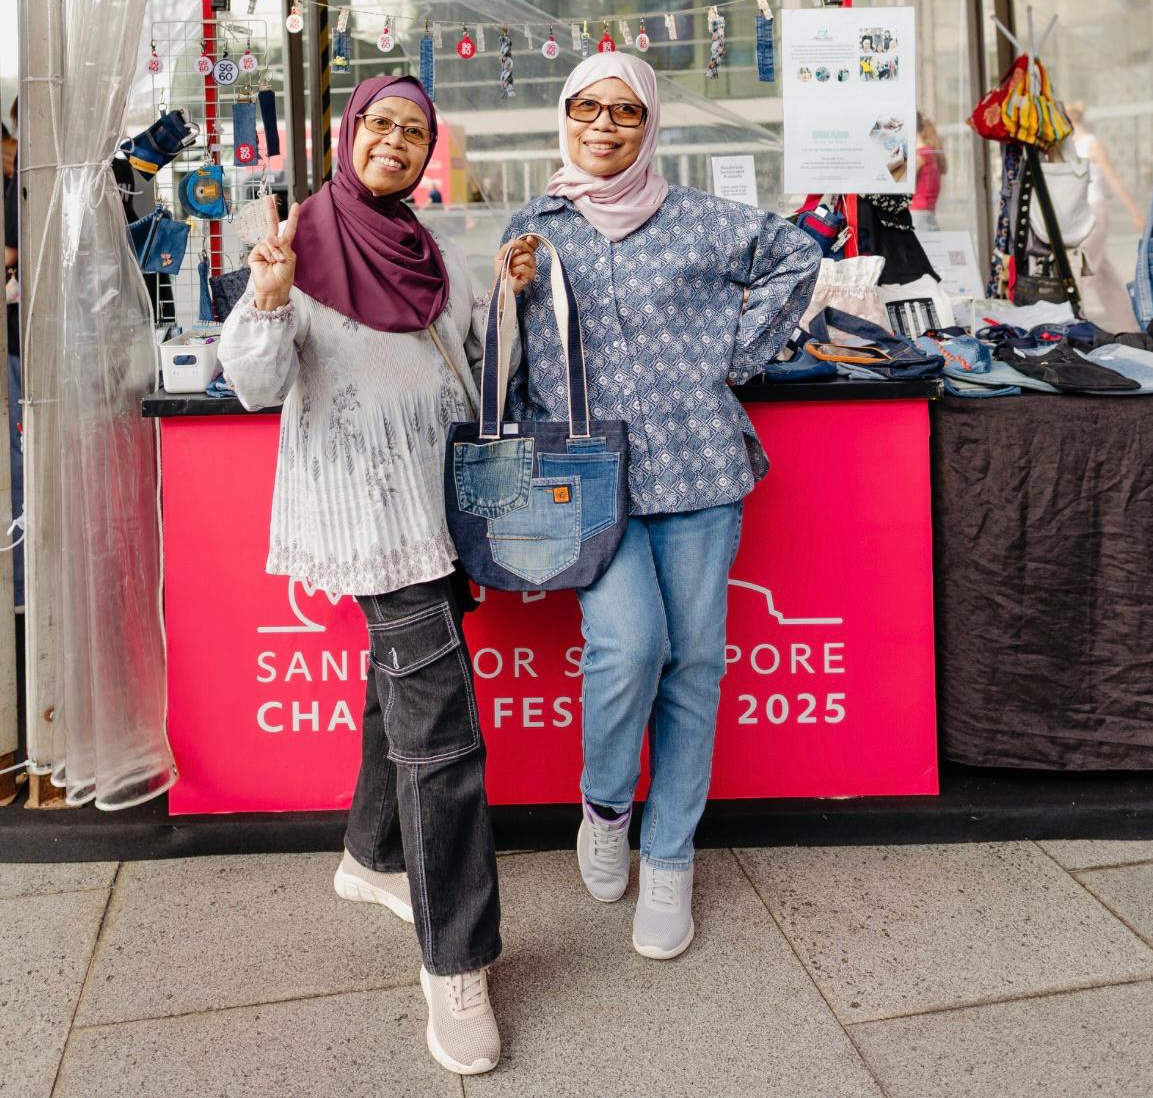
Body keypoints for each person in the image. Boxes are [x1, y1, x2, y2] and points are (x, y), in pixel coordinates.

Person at [218, 75, 536, 1077]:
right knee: (440, 732)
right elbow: (253, 383)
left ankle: (370, 856)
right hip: (369, 520)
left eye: (414, 130)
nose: (395, 141)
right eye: (381, 125)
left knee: (397, 689)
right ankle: (457, 962)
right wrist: (269, 298)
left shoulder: (428, 249)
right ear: (348, 134)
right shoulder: (300, 246)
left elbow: (478, 368)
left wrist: (511, 300)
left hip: (440, 508)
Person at [500, 55, 819, 960]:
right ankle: (606, 806)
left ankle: (671, 855)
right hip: (585, 479)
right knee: (631, 645)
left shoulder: (702, 219)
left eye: (625, 110)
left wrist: (736, 356)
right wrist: (508, 294)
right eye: (587, 107)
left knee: (694, 666)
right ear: (565, 117)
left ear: (649, 125)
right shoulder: (536, 227)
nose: (604, 124)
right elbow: (513, 356)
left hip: (698, 467)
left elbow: (799, 254)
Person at [1066, 102, 1140, 329]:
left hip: (1094, 213)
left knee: (1082, 269)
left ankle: (1072, 322)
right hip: (1078, 214)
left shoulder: (1093, 144)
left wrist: (1134, 212)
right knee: (1102, 275)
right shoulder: (1068, 146)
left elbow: (1113, 180)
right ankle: (1129, 326)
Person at [2, 119, 22, 609]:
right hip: (22, 339)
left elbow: (12, 252)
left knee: (24, 453)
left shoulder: (24, 172)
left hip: (26, 339)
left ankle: (24, 585)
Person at [910, 113, 947, 231]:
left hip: (917, 214)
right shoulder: (929, 153)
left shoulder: (920, 155)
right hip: (927, 213)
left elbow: (900, 182)